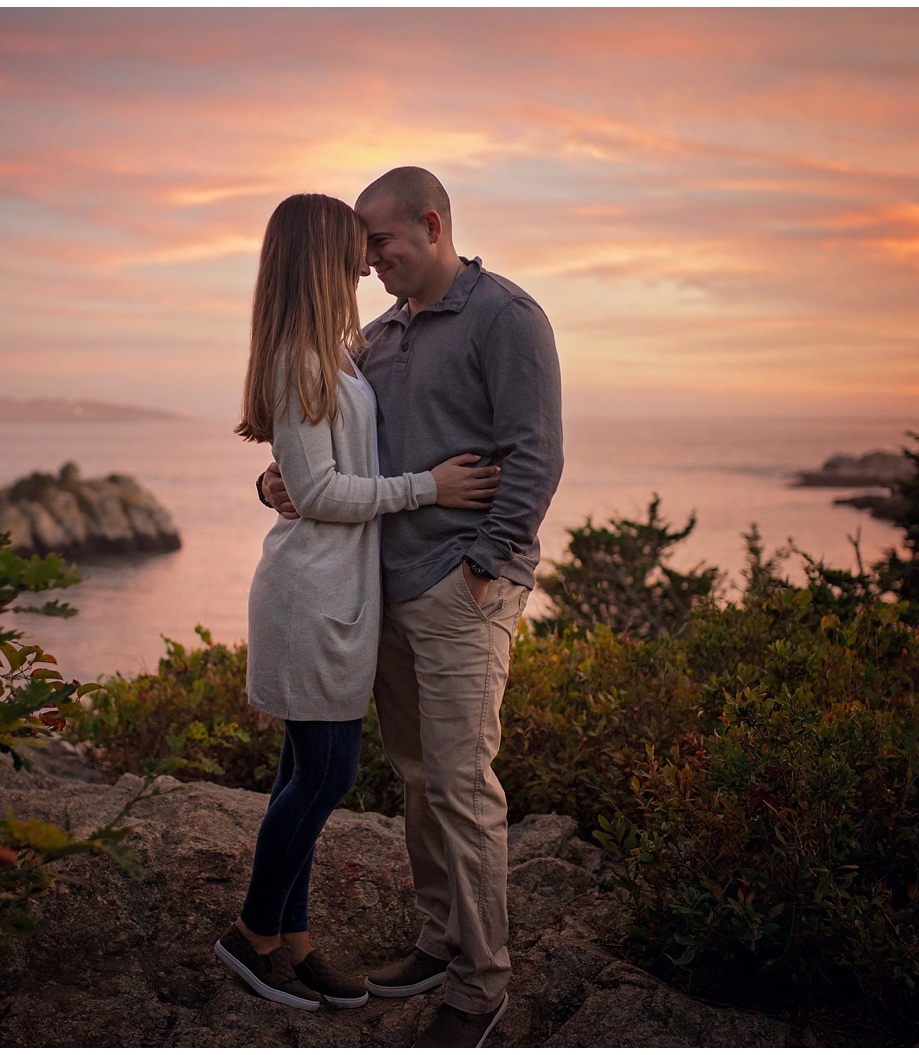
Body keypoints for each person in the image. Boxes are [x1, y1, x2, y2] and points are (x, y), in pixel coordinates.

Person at [259, 167, 563, 1046]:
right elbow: (322, 441)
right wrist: (277, 479)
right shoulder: (379, 335)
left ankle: (481, 979)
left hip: (461, 589)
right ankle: (440, 938)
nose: (367, 259)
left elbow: (535, 456)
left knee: (464, 784)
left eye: (379, 243)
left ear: (431, 226)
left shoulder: (507, 317)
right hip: (383, 591)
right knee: (420, 779)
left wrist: (483, 569)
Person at [215, 192, 503, 1013]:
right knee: (327, 773)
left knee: (299, 772)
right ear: (321, 254)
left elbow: (302, 477)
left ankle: (292, 941)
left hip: (338, 589)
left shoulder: (341, 348)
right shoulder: (301, 358)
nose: (367, 257)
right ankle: (251, 935)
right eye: (355, 243)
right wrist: (431, 487)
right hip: (310, 597)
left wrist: (278, 481)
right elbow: (319, 487)